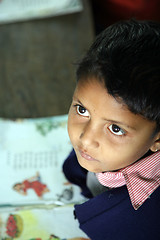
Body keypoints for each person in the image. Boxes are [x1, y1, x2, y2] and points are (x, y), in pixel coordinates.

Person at [63, 19, 160, 240]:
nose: (86, 139)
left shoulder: (147, 222)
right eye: (82, 109)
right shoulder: (106, 151)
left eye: (115, 129)